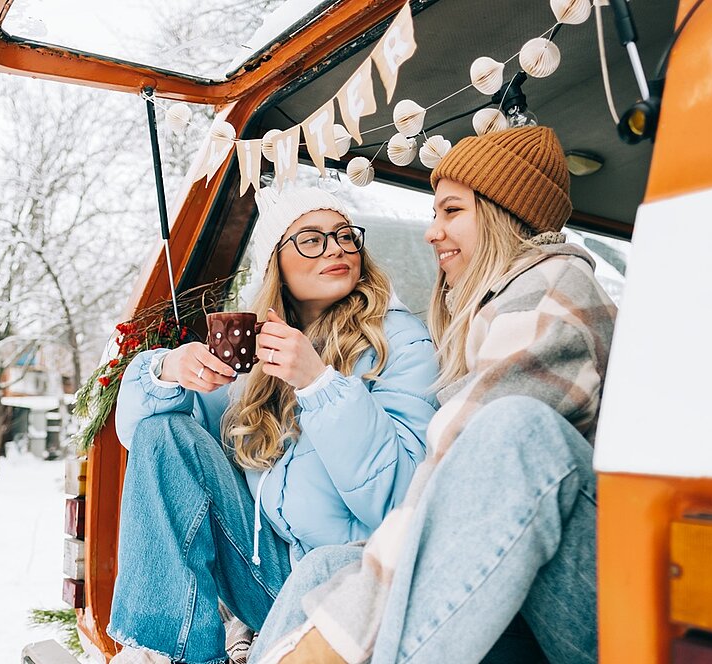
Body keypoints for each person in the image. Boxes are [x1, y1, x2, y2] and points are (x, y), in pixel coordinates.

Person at [252, 126, 618, 664]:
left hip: (608, 595)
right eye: (433, 214)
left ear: (499, 213)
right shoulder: (489, 314)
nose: (432, 233)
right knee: (327, 567)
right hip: (524, 563)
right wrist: (164, 371)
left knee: (512, 428)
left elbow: (445, 474)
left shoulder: (551, 292)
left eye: (451, 211)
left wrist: (322, 387)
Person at [109, 186, 440, 664]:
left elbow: (401, 499)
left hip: (346, 591)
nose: (335, 249)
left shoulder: (400, 342)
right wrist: (168, 372)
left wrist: (319, 385)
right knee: (165, 433)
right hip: (266, 578)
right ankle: (172, 654)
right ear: (274, 262)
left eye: (345, 237)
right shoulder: (254, 349)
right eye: (311, 239)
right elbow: (145, 441)